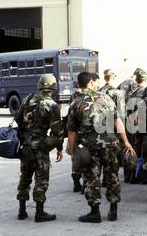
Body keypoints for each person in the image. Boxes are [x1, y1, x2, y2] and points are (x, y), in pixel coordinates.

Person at [67, 72, 135, 223]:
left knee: (92, 177)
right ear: (90, 82)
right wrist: (126, 142)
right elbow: (118, 122)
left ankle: (95, 212)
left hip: (88, 146)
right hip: (110, 144)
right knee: (112, 176)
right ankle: (113, 210)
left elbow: (71, 132)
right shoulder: (106, 98)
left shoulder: (75, 103)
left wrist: (72, 152)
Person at [15, 74, 64, 223]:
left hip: (25, 145)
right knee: (41, 179)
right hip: (40, 146)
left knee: (25, 176)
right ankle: (39, 212)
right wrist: (59, 148)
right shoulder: (52, 105)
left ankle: (22, 211)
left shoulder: (28, 98)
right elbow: (57, 131)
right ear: (53, 86)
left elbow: (17, 119)